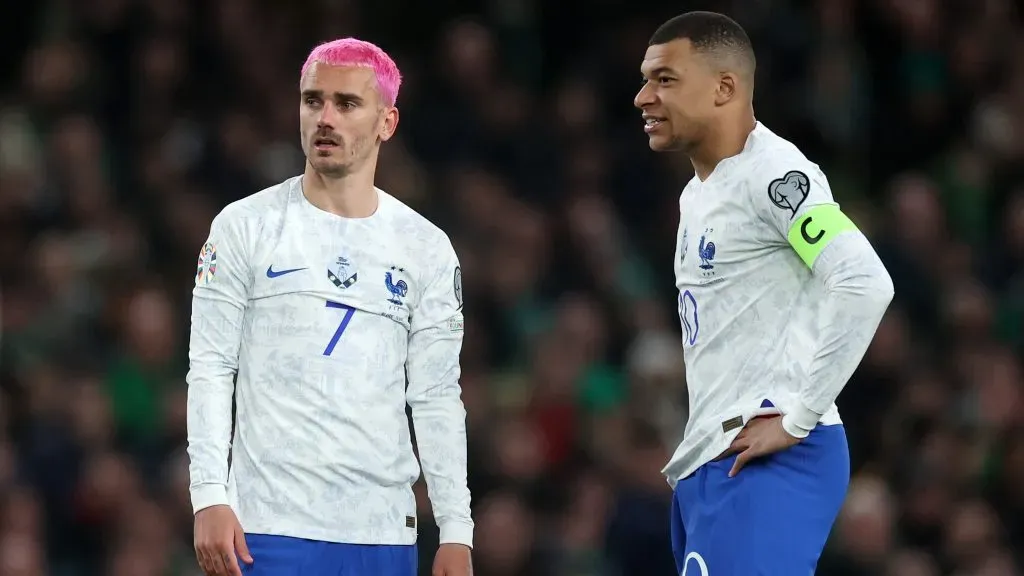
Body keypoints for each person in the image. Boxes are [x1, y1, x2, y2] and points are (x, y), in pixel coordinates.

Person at [186, 38, 473, 576]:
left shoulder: (425, 247)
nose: (324, 118)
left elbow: (435, 396)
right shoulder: (244, 226)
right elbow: (210, 366)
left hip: (382, 530)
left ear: (387, 123)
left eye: (346, 104)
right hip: (268, 524)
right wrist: (208, 494)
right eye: (312, 100)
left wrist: (457, 528)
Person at [634, 11, 894, 575]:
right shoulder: (696, 195)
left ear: (724, 87)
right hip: (712, 459)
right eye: (646, 79)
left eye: (665, 79)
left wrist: (799, 418)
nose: (642, 97)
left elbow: (864, 281)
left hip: (772, 454)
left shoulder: (775, 176)